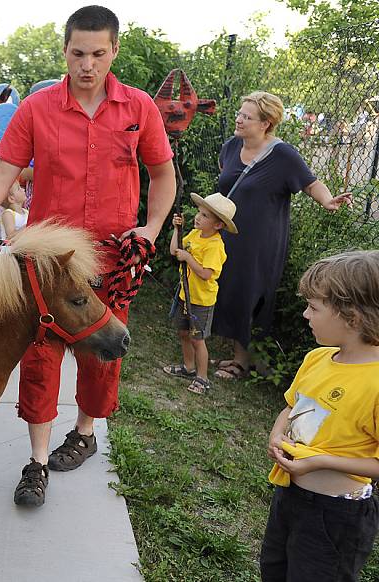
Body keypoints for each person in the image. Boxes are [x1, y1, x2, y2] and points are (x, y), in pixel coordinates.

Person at [0, 5, 176, 507]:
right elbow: (2, 176)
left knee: (101, 353)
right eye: (77, 53)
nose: (86, 64)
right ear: (65, 51)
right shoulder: (37, 109)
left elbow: (162, 175)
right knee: (39, 355)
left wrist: (150, 229)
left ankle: (85, 431)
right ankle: (38, 461)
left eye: (97, 53)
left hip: (113, 258)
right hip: (47, 262)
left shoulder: (139, 109)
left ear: (113, 51)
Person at [212, 91, 352, 380]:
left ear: (266, 123)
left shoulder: (282, 155)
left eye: (246, 116)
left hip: (260, 241)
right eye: (240, 113)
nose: (238, 119)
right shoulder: (230, 146)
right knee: (226, 287)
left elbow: (311, 183)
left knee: (248, 292)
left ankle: (242, 362)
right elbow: (226, 180)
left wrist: (327, 201)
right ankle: (236, 354)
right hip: (226, 234)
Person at [260, 250, 379, 581]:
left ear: (352, 317)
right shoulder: (317, 358)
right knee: (274, 569)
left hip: (337, 516)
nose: (305, 314)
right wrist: (276, 434)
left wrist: (320, 461)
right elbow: (291, 406)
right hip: (290, 496)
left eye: (314, 307)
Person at [162, 193, 237, 395]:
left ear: (218, 225)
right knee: (183, 333)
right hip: (185, 296)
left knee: (197, 338)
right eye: (199, 212)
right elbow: (174, 251)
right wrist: (177, 230)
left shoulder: (215, 246)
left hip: (201, 302)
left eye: (204, 215)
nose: (198, 217)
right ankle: (188, 367)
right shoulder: (194, 235)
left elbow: (205, 274)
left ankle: (202, 378)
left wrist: (188, 258)